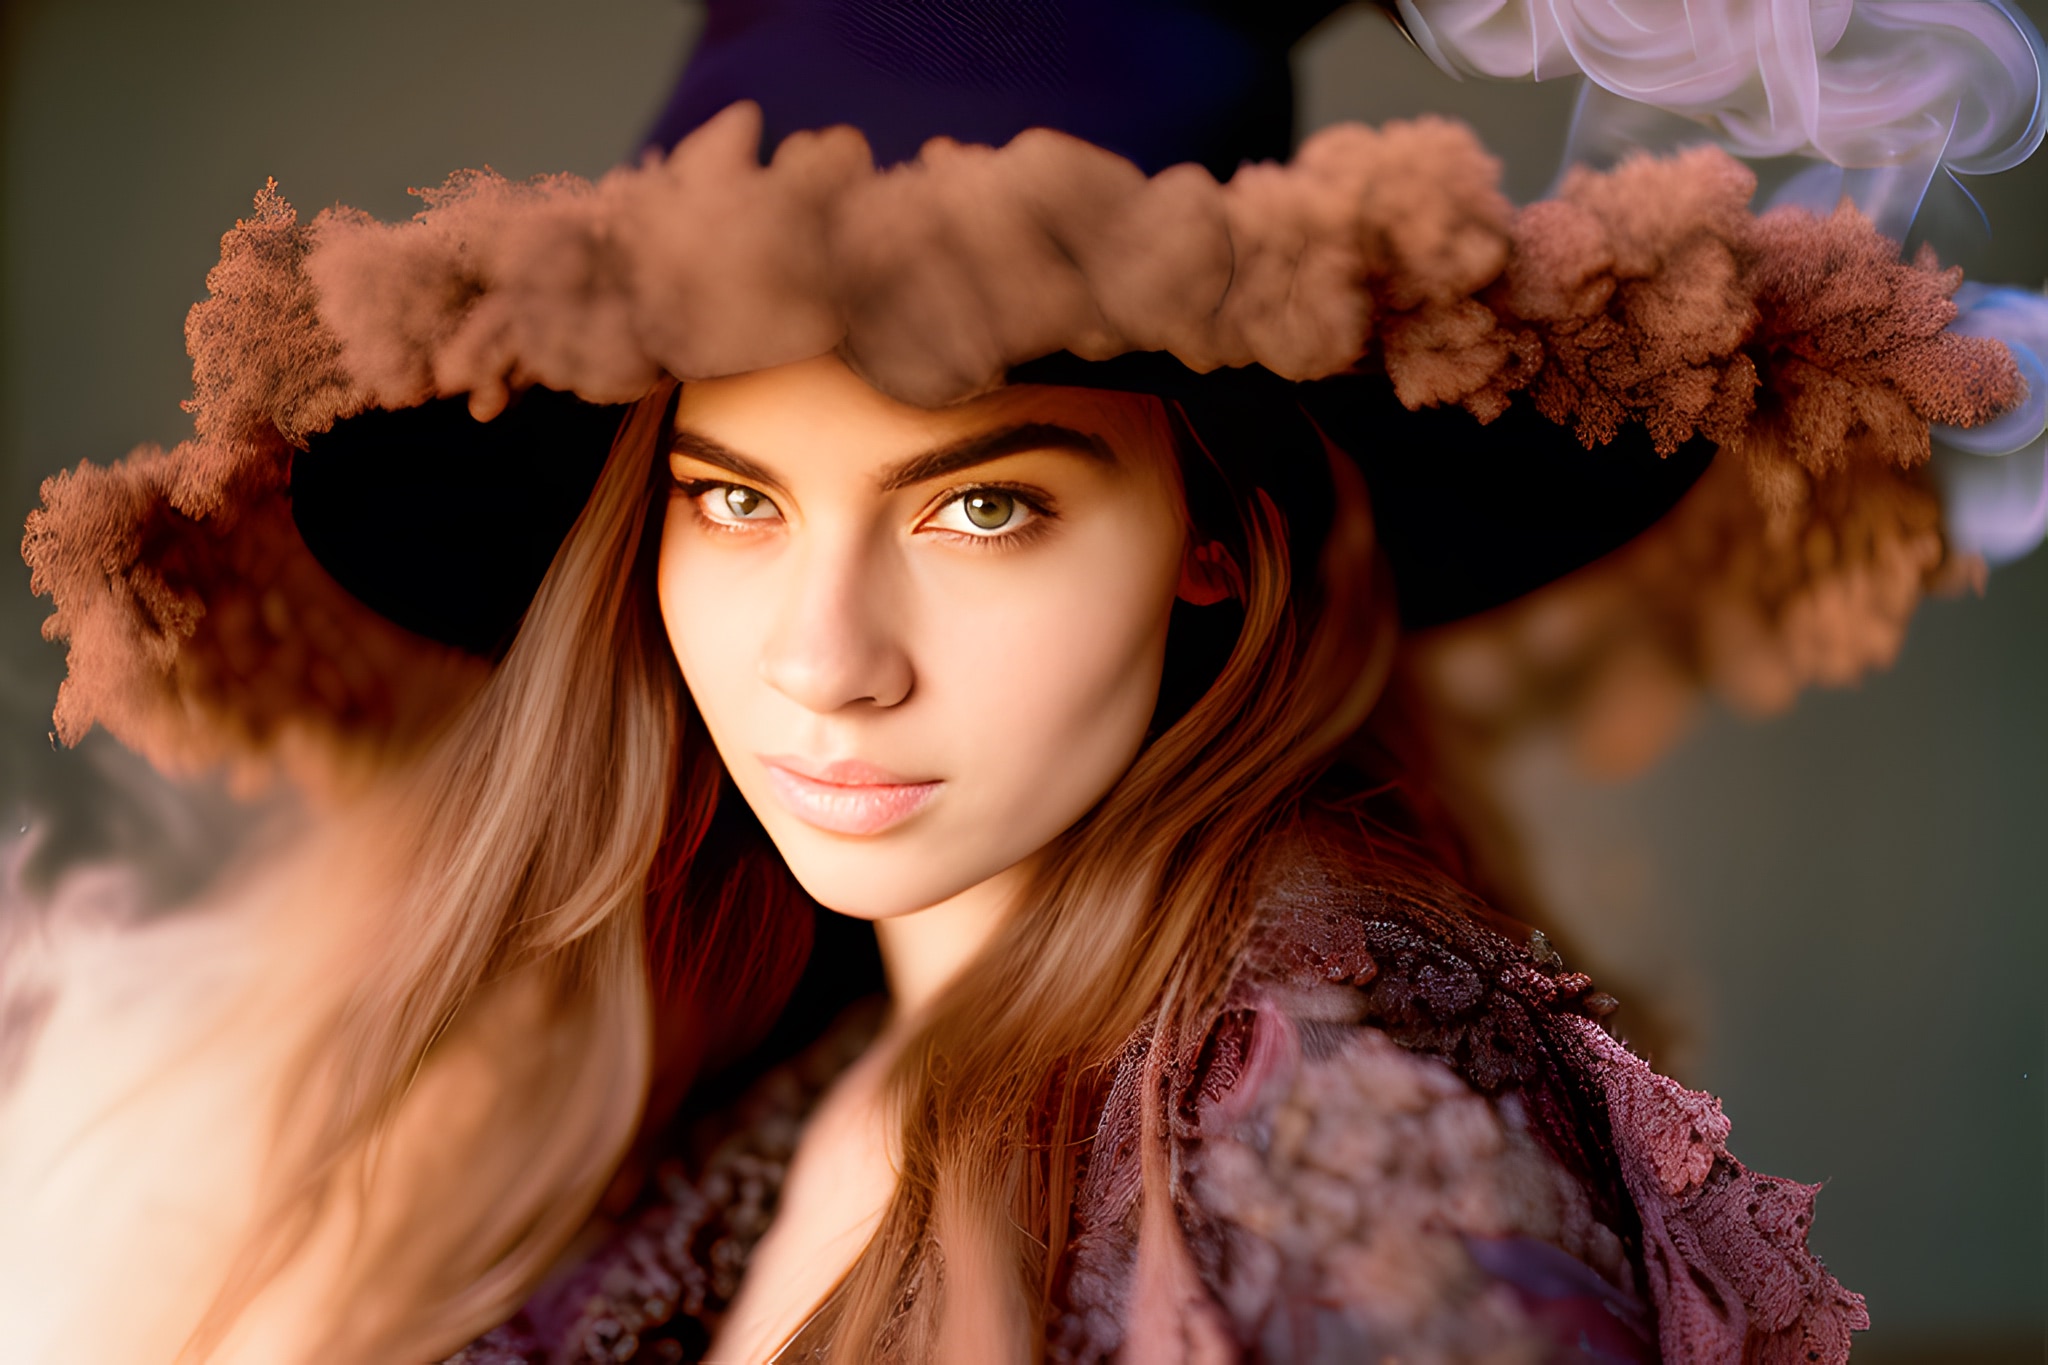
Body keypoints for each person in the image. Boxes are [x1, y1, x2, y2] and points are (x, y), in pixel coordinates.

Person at [11, 1, 2048, 1361]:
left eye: (981, 508)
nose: (822, 658)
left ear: (1218, 539)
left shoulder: (1335, 1082)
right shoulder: (748, 1040)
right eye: (731, 502)